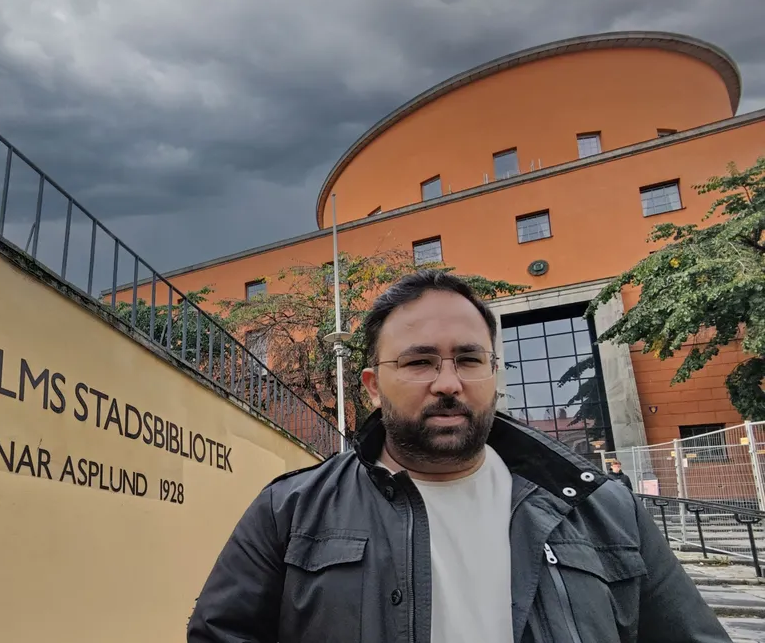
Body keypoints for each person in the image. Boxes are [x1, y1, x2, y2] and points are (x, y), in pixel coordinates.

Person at [187, 270, 726, 643]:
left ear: (493, 374)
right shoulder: (290, 511)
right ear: (373, 386)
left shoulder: (603, 509)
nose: (448, 383)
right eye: (420, 362)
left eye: (468, 359)